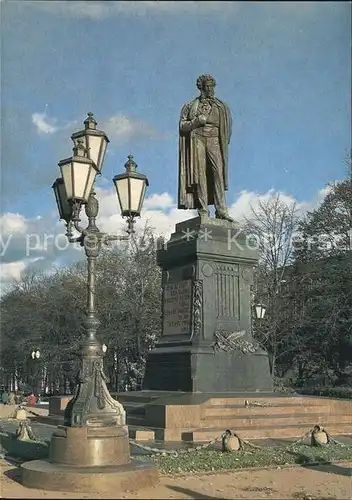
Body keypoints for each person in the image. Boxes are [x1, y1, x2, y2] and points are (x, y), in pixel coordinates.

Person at [178, 74, 234, 221]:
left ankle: (221, 210)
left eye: (212, 86)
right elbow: (182, 126)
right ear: (201, 87)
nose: (211, 89)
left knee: (218, 174)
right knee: (200, 174)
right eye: (207, 86)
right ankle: (203, 210)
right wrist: (196, 121)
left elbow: (227, 129)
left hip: (214, 139)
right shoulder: (190, 105)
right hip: (197, 139)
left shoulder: (221, 106)